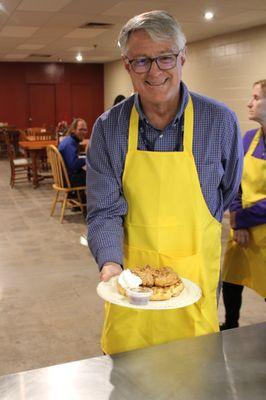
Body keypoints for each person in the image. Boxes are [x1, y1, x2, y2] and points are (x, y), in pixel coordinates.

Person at [86, 10, 243, 355]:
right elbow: (104, 211)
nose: (155, 71)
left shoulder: (220, 123)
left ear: (182, 56)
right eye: (141, 61)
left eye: (165, 58)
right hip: (131, 294)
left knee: (195, 377)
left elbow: (227, 193)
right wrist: (111, 264)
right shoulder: (108, 129)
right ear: (126, 65)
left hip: (195, 293)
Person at [221, 79, 266, 330]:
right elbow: (235, 181)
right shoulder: (248, 138)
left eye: (257, 98)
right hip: (242, 231)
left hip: (260, 230)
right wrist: (236, 217)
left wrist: (242, 219)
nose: (249, 103)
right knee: (231, 279)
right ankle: (230, 324)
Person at [59, 118, 87, 187]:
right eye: (80, 129)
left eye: (85, 130)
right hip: (68, 180)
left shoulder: (69, 140)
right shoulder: (69, 144)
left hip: (64, 177)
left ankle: (81, 196)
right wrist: (87, 159)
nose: (83, 132)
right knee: (99, 177)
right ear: (73, 130)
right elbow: (73, 165)